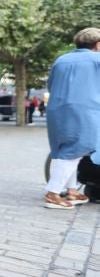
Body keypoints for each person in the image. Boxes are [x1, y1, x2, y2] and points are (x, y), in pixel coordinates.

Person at [43, 27, 100, 209]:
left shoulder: (62, 60)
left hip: (57, 109)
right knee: (77, 148)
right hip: (85, 110)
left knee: (65, 149)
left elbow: (51, 85)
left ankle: (72, 191)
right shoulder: (97, 60)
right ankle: (53, 193)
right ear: (98, 45)